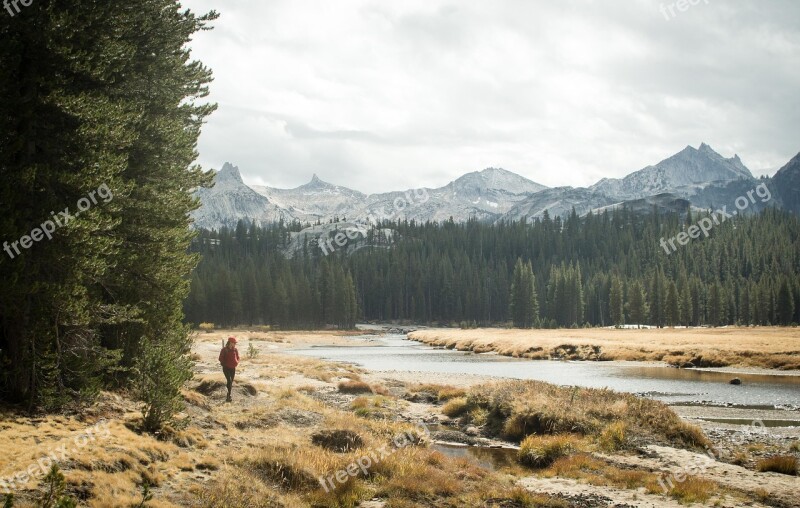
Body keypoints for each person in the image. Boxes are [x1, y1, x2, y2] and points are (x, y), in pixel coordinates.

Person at [219, 336, 240, 402]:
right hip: (226, 368)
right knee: (229, 380)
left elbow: (238, 357)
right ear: (230, 342)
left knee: (230, 382)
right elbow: (220, 358)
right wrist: (223, 362)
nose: (235, 344)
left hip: (233, 368)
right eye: (234, 343)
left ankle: (229, 393)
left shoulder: (235, 350)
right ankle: (229, 395)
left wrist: (237, 362)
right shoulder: (224, 350)